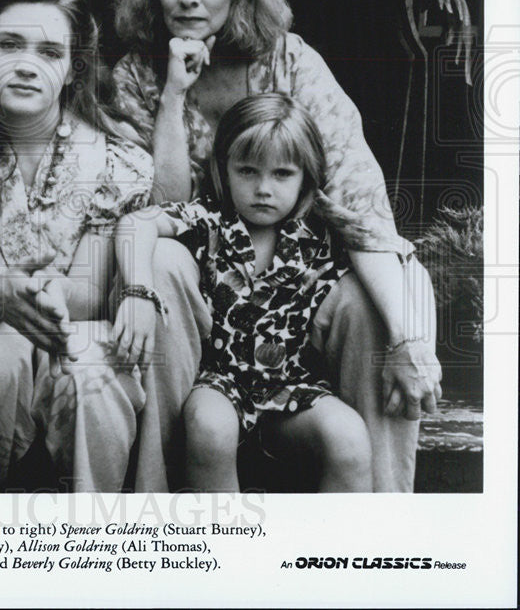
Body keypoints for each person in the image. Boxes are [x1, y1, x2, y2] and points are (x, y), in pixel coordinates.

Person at [111, 0, 442, 492]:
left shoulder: (292, 63)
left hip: (297, 311)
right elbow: (160, 212)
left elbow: (362, 213)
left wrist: (408, 339)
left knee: (382, 304)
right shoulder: (138, 74)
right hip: (201, 310)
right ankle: (156, 515)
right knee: (158, 261)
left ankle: (385, 520)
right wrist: (172, 95)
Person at [0, 0, 154, 491]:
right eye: (9, 45)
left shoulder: (113, 160)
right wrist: (2, 290)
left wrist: (40, 293)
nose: (27, 65)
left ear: (73, 70)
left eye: (50, 52)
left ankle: (91, 534)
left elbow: (92, 290)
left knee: (94, 369)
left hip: (77, 320)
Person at [116, 94, 378, 491]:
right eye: (248, 171)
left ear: (306, 176)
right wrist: (137, 289)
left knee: (350, 436)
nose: (263, 189)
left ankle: (337, 547)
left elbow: (389, 253)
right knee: (210, 426)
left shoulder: (321, 237)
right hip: (216, 383)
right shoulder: (209, 221)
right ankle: (227, 546)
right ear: (224, 170)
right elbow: (136, 224)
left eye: (282, 174)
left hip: (288, 386)